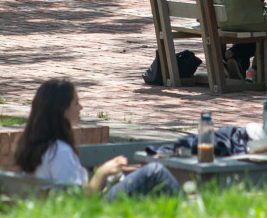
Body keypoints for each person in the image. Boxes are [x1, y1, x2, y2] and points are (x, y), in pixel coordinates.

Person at [14, 79, 181, 199]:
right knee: (154, 171)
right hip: (87, 211)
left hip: (62, 206)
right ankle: (189, 211)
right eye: (75, 103)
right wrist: (102, 172)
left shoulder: (34, 145)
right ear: (62, 110)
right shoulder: (59, 152)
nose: (80, 108)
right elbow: (77, 200)